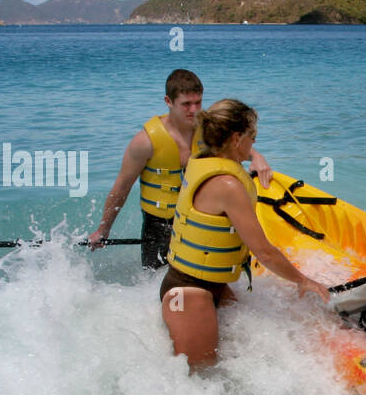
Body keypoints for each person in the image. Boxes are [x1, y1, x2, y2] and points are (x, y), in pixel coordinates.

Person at [160, 98, 328, 368]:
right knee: (201, 378)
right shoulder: (227, 185)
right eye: (253, 138)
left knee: (234, 362)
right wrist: (303, 280)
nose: (254, 145)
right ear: (236, 138)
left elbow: (240, 151)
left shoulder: (200, 158)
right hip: (189, 295)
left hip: (204, 287)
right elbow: (264, 252)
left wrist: (257, 157)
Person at [87, 69, 273, 268]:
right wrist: (103, 230)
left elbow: (237, 143)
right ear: (168, 101)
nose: (194, 110)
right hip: (159, 226)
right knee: (156, 286)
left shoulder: (208, 130)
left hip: (199, 223)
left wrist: (257, 156)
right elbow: (121, 187)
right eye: (186, 104)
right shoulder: (145, 142)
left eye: (198, 102)